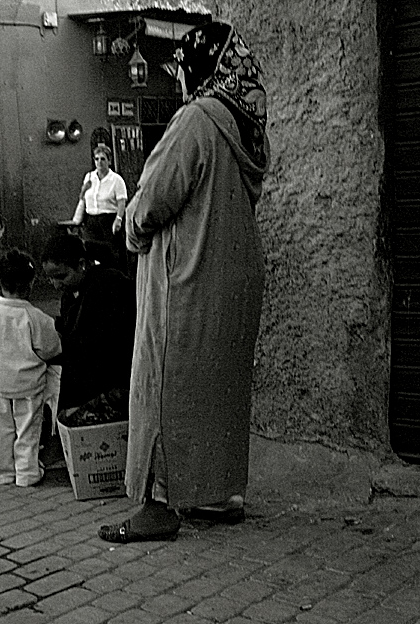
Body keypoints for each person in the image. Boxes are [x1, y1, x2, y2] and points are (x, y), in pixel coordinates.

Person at [99, 22, 270, 543]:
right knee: (215, 391)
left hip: (187, 279)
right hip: (233, 280)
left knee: (162, 385)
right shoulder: (247, 128)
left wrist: (127, 225)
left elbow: (153, 200)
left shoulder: (197, 119)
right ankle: (215, 494)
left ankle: (156, 506)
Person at [0, 248, 62, 487]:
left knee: (0, 432)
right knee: (27, 431)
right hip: (27, 386)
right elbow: (51, 349)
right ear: (31, 284)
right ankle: (26, 473)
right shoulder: (35, 317)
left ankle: (2, 472)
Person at [41, 233, 135, 412]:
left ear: (82, 264)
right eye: (50, 278)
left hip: (111, 378)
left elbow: (105, 345)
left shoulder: (111, 286)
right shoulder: (71, 293)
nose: (56, 285)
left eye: (61, 276)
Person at [71, 145, 128, 269]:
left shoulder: (116, 180)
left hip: (109, 221)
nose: (99, 162)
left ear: (109, 161)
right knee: (91, 253)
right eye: (96, 159)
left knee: (111, 254)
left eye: (103, 159)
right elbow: (83, 197)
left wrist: (118, 219)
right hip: (91, 221)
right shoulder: (89, 177)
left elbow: (121, 201)